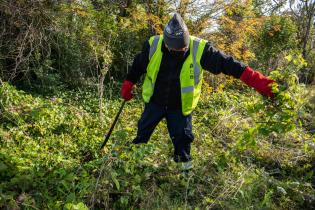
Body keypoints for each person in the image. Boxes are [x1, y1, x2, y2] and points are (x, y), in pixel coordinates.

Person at [120, 13, 275, 170]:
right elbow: (138, 66)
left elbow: (229, 64)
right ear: (167, 44)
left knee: (183, 141)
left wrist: (259, 82)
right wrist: (129, 83)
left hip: (180, 108)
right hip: (155, 103)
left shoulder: (200, 49)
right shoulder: (153, 45)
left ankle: (184, 176)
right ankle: (132, 167)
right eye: (178, 48)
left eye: (184, 46)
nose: (183, 50)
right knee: (141, 135)